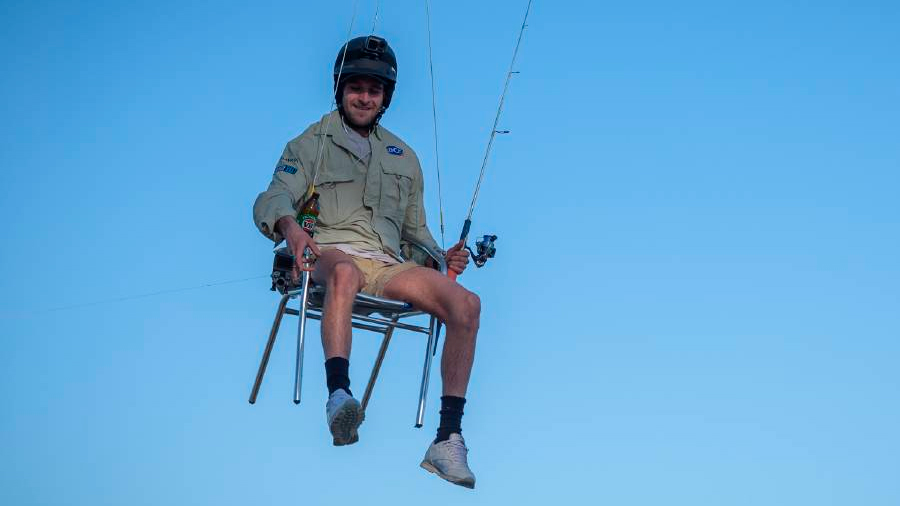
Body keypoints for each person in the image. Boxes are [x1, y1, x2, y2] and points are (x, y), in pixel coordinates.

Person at [253, 35, 480, 489]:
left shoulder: (404, 156)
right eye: (355, 86)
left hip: (388, 263)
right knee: (344, 272)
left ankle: (447, 438)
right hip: (328, 252)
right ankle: (339, 395)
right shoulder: (309, 142)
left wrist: (443, 256)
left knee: (467, 304)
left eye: (374, 90)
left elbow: (417, 234)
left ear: (386, 97)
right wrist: (292, 230)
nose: (363, 96)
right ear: (339, 88)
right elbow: (274, 196)